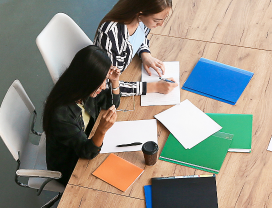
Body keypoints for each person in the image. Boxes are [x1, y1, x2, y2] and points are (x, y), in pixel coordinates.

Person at [44, 45, 122, 186]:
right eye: (101, 81)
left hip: (86, 143)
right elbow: (87, 151)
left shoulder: (82, 91)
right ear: (87, 81)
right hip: (69, 167)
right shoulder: (61, 115)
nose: (104, 86)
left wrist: (114, 81)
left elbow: (111, 103)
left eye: (105, 79)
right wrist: (101, 130)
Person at [94, 0, 176, 97]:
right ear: (140, 12)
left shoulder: (141, 20)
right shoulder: (110, 35)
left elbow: (140, 36)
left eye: (163, 19)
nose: (161, 24)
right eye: (156, 20)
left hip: (127, 72)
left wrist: (145, 54)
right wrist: (154, 87)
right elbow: (107, 83)